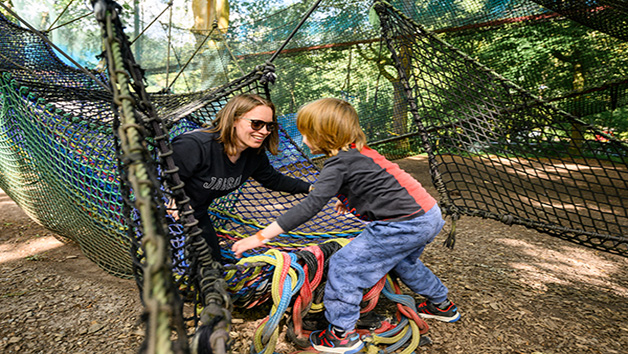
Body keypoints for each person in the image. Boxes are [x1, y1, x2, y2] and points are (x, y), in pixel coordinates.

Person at [232, 97, 460, 354]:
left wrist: (260, 237)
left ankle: (341, 334)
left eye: (307, 134)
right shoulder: (356, 152)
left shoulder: (338, 164)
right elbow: (378, 184)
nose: (304, 140)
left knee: (345, 266)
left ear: (325, 135)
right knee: (404, 263)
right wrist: (349, 200)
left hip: (401, 224)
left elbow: (309, 207)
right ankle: (442, 305)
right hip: (428, 215)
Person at [170, 93, 312, 263]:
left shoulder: (253, 154)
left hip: (196, 215)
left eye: (269, 126)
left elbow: (273, 179)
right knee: (179, 272)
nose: (264, 131)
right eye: (257, 124)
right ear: (234, 120)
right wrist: (169, 198)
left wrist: (311, 188)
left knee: (214, 265)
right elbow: (157, 179)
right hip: (164, 217)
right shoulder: (194, 146)